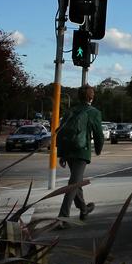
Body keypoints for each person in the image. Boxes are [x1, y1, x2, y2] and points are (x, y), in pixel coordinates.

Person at [56, 84, 104, 228]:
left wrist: (62, 154)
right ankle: (63, 218)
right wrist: (98, 149)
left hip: (68, 150)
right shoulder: (94, 112)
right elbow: (99, 134)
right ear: (91, 97)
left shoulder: (71, 111)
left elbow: (63, 132)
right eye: (93, 94)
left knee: (76, 180)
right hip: (81, 151)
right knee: (74, 183)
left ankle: (84, 210)